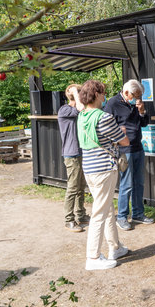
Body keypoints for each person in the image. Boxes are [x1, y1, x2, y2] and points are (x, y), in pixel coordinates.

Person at [77, 80, 130, 271]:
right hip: (104, 169)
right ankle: (93, 256)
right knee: (100, 212)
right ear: (97, 94)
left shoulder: (82, 116)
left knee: (106, 209)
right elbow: (124, 141)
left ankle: (115, 247)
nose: (104, 96)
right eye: (103, 93)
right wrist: (121, 131)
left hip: (89, 168)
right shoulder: (104, 117)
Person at [104, 79, 153, 231]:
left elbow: (144, 123)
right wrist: (118, 135)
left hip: (138, 147)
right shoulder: (112, 103)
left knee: (139, 182)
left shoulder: (137, 104)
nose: (137, 99)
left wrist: (142, 111)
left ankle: (138, 213)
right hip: (124, 150)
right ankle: (122, 217)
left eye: (139, 96)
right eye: (135, 96)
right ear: (126, 93)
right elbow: (105, 126)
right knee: (126, 184)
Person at [57, 84, 88, 233]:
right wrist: (76, 92)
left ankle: (81, 214)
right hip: (71, 154)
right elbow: (79, 109)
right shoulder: (64, 110)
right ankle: (68, 220)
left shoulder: (79, 110)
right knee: (73, 187)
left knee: (81, 186)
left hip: (81, 153)